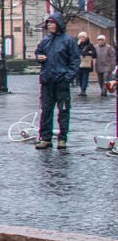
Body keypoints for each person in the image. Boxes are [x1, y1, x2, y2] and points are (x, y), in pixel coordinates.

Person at [34, 12, 79, 150]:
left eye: (51, 22)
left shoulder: (68, 40)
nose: (49, 25)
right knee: (46, 110)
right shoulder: (46, 40)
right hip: (47, 81)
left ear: (58, 24)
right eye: (48, 23)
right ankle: (45, 138)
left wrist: (67, 77)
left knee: (63, 110)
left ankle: (62, 138)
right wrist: (38, 57)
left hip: (61, 82)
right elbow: (38, 52)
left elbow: (75, 60)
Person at [76, 32, 97, 96]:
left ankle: (83, 90)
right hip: (78, 64)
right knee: (79, 78)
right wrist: (78, 45)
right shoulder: (76, 45)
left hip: (86, 65)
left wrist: (86, 53)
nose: (81, 38)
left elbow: (94, 54)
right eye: (80, 37)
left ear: (86, 38)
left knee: (85, 77)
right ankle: (81, 89)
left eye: (83, 37)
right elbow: (74, 52)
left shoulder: (90, 45)